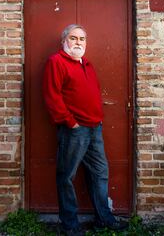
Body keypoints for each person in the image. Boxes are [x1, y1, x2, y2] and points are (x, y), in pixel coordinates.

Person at [43, 24, 128, 235]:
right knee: (67, 177)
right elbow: (52, 97)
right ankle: (70, 225)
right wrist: (70, 122)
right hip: (74, 130)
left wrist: (97, 119)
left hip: (94, 128)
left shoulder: (87, 64)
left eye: (82, 39)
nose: (78, 42)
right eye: (73, 38)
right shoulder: (56, 62)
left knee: (100, 173)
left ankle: (103, 219)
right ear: (64, 41)